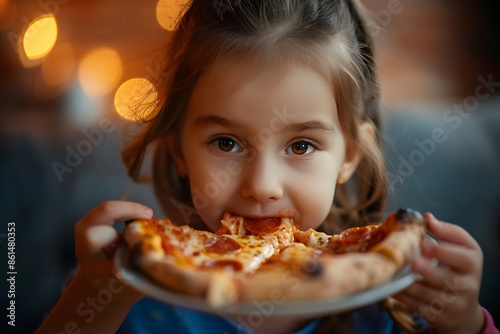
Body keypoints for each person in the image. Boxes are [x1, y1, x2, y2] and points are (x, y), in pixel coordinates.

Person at [36, 0, 499, 333]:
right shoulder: (134, 291)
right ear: (177, 150)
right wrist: (93, 300)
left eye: (300, 145)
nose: (261, 186)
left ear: (350, 156)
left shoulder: (394, 301)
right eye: (226, 141)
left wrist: (464, 323)